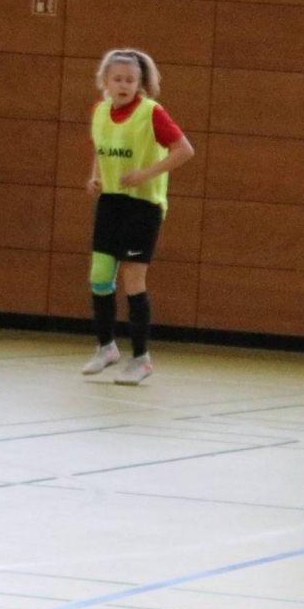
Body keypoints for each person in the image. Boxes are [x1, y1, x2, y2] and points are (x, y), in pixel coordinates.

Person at [81, 48, 195, 385]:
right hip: (111, 201)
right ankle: (106, 347)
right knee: (100, 275)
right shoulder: (100, 111)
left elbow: (184, 150)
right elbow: (100, 148)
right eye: (117, 79)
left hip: (143, 205)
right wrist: (95, 177)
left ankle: (141, 358)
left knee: (133, 279)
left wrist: (146, 174)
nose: (124, 85)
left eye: (130, 80)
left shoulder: (151, 113)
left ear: (140, 83)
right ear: (105, 81)